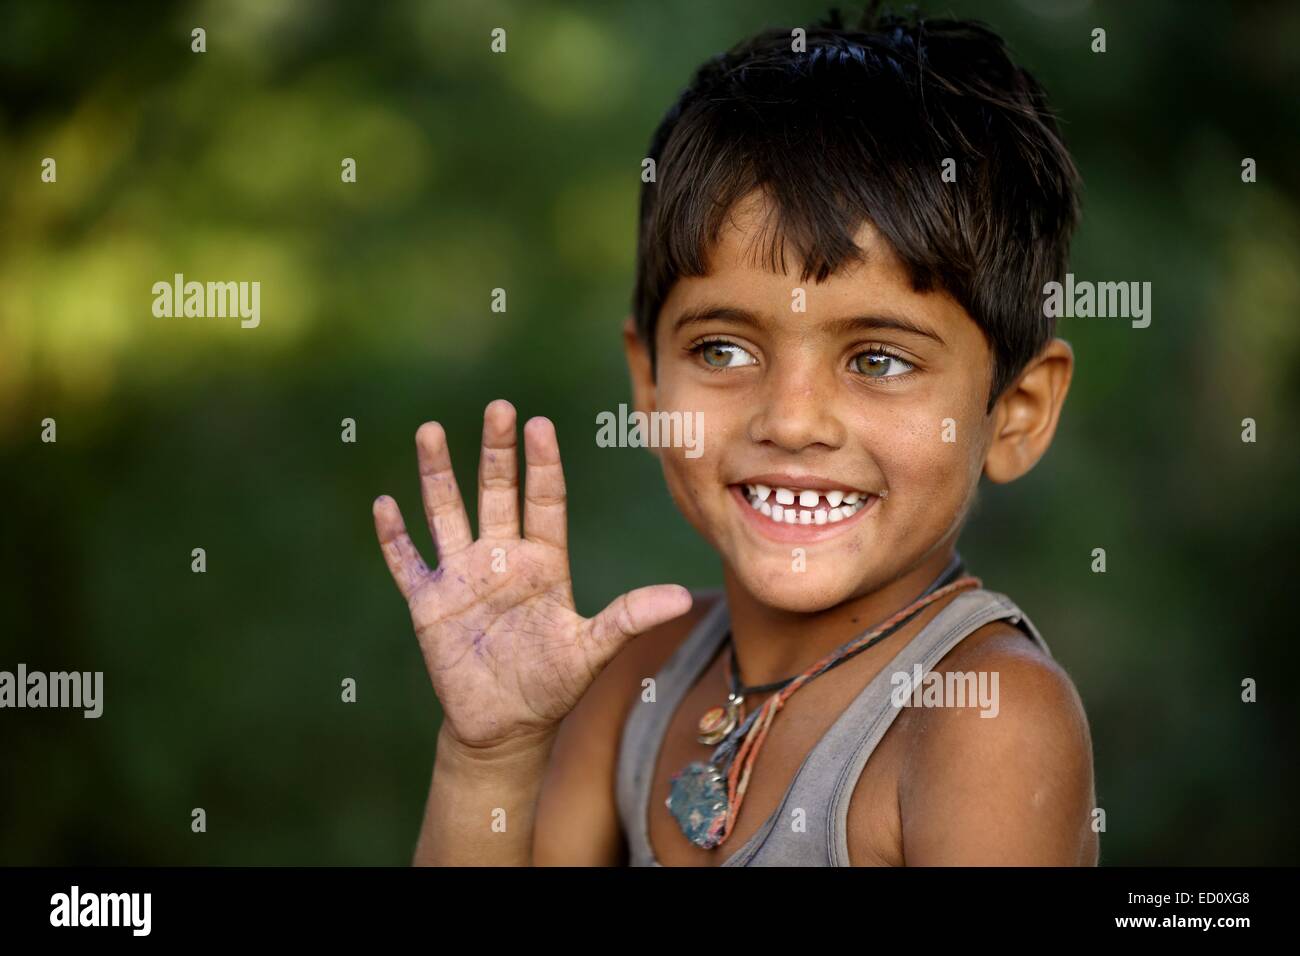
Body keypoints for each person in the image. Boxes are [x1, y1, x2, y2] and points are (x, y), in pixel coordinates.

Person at [372, 5, 1098, 866]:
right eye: (722, 349)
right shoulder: (635, 678)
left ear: (1017, 412)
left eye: (879, 360)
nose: (790, 420)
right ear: (649, 383)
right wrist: (488, 757)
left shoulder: (983, 719)